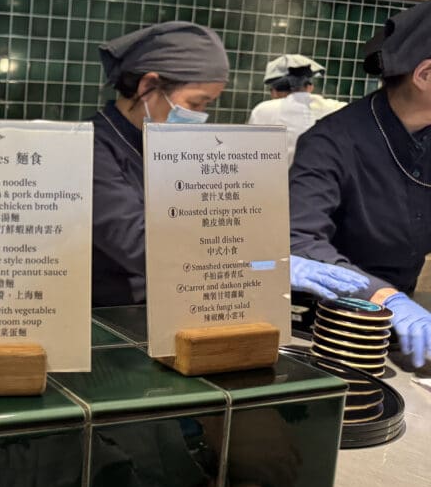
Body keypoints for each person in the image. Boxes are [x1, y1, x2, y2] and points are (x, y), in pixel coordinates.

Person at [91, 22, 366, 307]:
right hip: (112, 314)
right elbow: (140, 242)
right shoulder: (95, 149)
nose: (201, 115)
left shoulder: (165, 144)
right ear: (148, 86)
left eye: (206, 105)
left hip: (172, 305)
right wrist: (259, 263)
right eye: (195, 104)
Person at [290, 0, 431, 368]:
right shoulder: (330, 142)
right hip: (323, 331)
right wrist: (387, 298)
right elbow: (298, 240)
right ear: (425, 75)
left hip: (402, 335)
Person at [247, 54, 345, 163]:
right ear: (309, 87)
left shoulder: (263, 111)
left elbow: (249, 156)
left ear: (274, 92)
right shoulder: (336, 108)